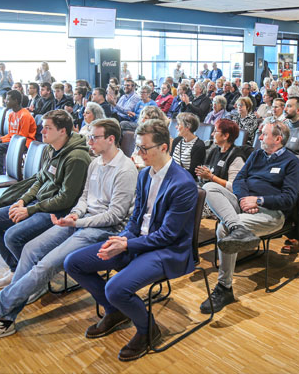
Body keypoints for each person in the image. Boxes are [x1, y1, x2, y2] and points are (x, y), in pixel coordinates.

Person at [0, 118, 138, 345]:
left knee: (47, 264)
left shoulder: (126, 170)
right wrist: (76, 215)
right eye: (89, 136)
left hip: (103, 229)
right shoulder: (95, 163)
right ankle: (6, 317)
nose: (89, 141)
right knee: (30, 249)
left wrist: (76, 223)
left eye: (94, 137)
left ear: (110, 139)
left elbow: (115, 216)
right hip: (82, 221)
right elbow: (84, 199)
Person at [63, 119, 198, 361]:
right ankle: (116, 312)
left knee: (115, 287)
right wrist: (121, 239)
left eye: (144, 149)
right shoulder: (145, 175)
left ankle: (149, 330)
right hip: (139, 242)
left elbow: (168, 235)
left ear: (164, 147)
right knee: (73, 263)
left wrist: (126, 244)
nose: (138, 153)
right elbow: (135, 219)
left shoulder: (183, 183)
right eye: (137, 147)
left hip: (168, 252)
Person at [0, 110, 92, 289]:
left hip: (58, 211)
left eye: (47, 128)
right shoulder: (50, 148)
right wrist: (23, 200)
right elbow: (40, 179)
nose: (42, 131)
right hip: (38, 204)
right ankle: (18, 270)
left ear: (62, 131)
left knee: (12, 236)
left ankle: (34, 281)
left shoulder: (76, 158)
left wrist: (30, 210)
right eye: (42, 127)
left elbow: (66, 199)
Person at [200, 120, 299, 313]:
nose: (260, 136)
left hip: (271, 213)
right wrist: (244, 200)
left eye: (264, 134)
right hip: (244, 204)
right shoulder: (257, 154)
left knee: (223, 228)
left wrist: (258, 201)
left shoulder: (291, 163)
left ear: (278, 139)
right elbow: (239, 180)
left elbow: (289, 199)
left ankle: (225, 287)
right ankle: (237, 228)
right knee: (208, 187)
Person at [0, 90, 37, 176]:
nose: (5, 101)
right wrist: (0, 139)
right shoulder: (11, 114)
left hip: (24, 143)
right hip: (14, 140)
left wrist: (2, 141)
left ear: (15, 101)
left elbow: (21, 137)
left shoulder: (25, 115)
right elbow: (10, 134)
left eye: (8, 100)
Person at [195, 119, 246, 193]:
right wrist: (204, 175)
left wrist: (211, 176)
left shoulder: (237, 157)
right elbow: (208, 173)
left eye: (215, 131)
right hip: (210, 190)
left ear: (225, 136)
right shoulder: (215, 151)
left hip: (224, 196)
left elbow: (234, 187)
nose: (212, 134)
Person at [170, 112, 205, 180]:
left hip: (185, 180)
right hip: (172, 176)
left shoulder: (198, 146)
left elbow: (193, 173)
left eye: (179, 124)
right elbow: (170, 161)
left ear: (187, 127)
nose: (176, 127)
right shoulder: (177, 140)